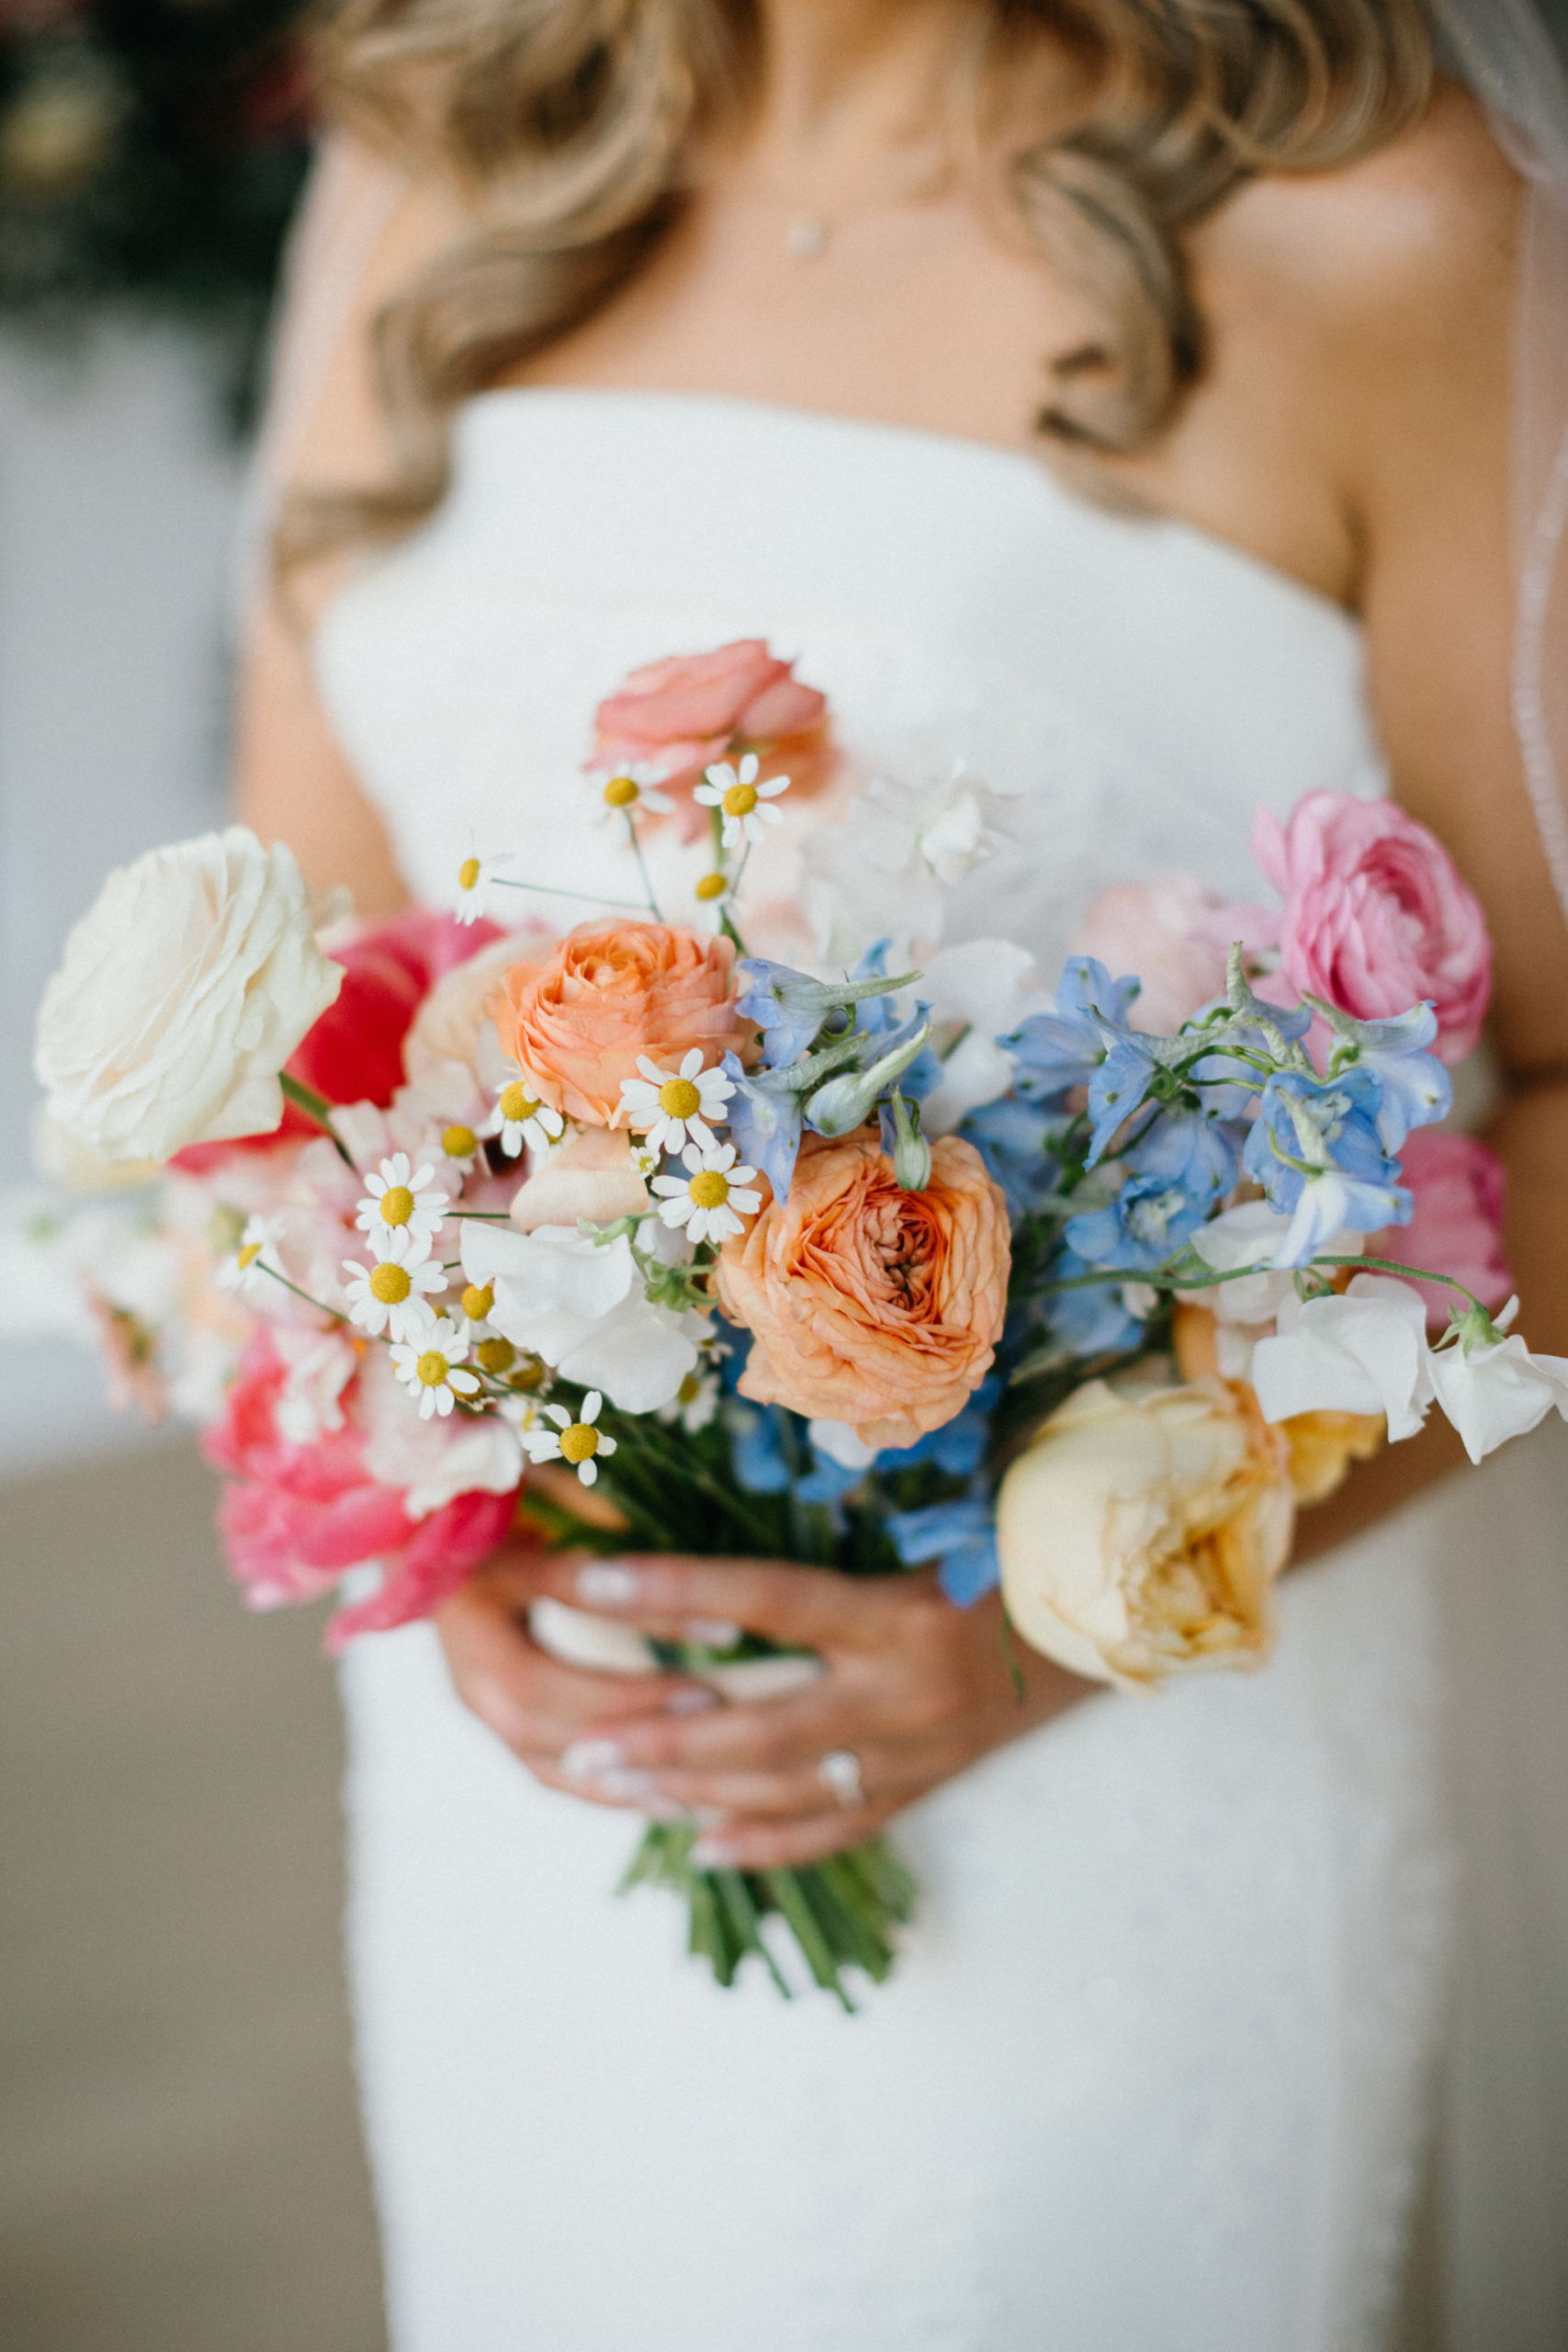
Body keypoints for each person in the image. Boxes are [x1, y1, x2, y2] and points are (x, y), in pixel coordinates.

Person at [237, 3, 1568, 2344]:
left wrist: (1057, 1618)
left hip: (1119, 1782)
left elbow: (1558, 1082)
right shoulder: (436, 160)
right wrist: (424, 1490)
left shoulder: (1379, 223)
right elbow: (312, 1014)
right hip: (527, 1782)